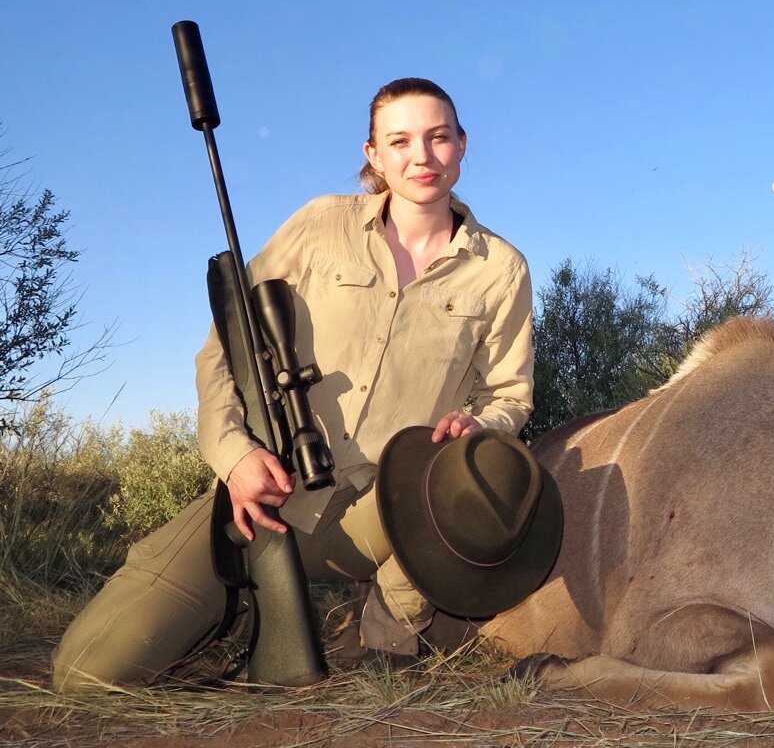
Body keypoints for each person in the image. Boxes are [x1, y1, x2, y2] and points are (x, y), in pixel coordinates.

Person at [53, 77, 536, 690]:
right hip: (270, 495)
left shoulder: (501, 268)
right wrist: (237, 457)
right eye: (401, 140)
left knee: (477, 476)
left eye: (439, 137)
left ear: (462, 145)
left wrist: (480, 426)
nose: (423, 156)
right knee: (88, 674)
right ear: (374, 156)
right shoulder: (319, 224)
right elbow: (223, 350)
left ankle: (387, 624)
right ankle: (246, 610)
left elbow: (508, 396)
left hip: (388, 509)